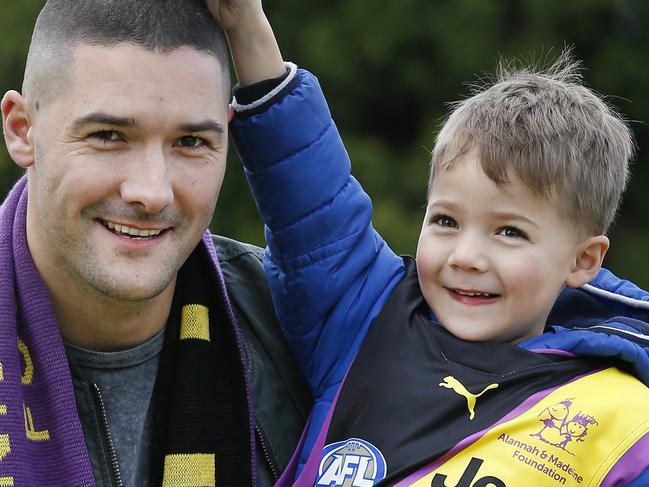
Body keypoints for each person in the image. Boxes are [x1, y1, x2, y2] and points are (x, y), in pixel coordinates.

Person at [211, 1, 649, 485]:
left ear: (583, 260)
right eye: (445, 220)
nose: (465, 257)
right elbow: (311, 204)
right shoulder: (366, 317)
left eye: (510, 232)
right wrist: (244, 20)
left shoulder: (626, 424)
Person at [0, 0, 311, 485]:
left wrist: (249, 27)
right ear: (22, 130)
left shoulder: (295, 329)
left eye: (190, 143)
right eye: (108, 135)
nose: (152, 192)